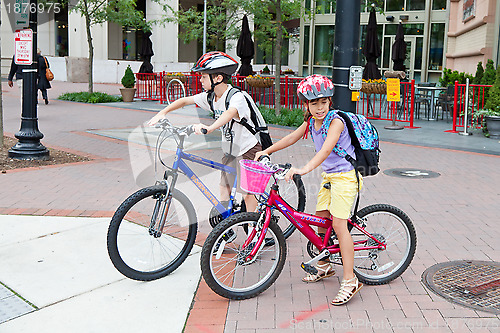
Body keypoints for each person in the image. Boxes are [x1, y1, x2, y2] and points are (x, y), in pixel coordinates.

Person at [254, 74, 363, 306]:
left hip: (345, 178)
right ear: (307, 104)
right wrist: (267, 151)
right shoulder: (311, 121)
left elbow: (324, 151)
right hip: (330, 177)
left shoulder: (336, 121)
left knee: (338, 224)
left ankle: (350, 280)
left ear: (329, 101)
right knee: (320, 220)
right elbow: (292, 138)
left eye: (323, 102)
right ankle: (324, 266)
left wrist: (302, 169)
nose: (319, 107)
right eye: (314, 103)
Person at [148, 51, 262, 213]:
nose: (200, 80)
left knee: (248, 195)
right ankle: (226, 224)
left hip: (248, 149)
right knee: (224, 189)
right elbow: (185, 100)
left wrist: (210, 128)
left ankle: (255, 232)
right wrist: (163, 113)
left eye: (203, 76)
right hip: (230, 150)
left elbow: (230, 113)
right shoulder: (211, 97)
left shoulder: (236, 97)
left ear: (218, 78)